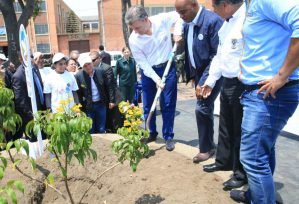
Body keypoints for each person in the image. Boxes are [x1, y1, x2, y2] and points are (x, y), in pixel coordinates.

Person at [228, 1, 299, 203]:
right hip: (262, 93)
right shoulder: (251, 3)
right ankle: (255, 196)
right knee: (262, 151)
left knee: (252, 158)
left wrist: (281, 76)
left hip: (270, 95)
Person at [200, 0, 247, 190]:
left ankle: (240, 174)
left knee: (240, 131)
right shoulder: (225, 25)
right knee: (225, 126)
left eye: (214, 6)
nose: (213, 10)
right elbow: (219, 56)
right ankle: (223, 161)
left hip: (243, 83)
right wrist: (210, 82)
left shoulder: (248, 19)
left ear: (226, 5)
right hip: (227, 81)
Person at [125, 6, 182, 151]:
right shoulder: (134, 39)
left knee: (168, 103)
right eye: (132, 28)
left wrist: (177, 31)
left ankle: (168, 136)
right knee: (148, 103)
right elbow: (142, 62)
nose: (135, 31)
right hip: (148, 72)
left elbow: (180, 15)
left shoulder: (161, 20)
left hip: (167, 68)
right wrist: (156, 79)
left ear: (145, 19)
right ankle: (151, 132)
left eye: (137, 27)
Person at [175, 0, 223, 161]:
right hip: (199, 73)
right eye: (179, 13)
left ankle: (206, 149)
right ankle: (210, 145)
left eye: (183, 12)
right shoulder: (188, 23)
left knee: (201, 108)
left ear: (194, 5)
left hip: (213, 72)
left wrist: (205, 80)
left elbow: (217, 55)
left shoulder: (213, 21)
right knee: (205, 109)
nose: (181, 16)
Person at [12, 55, 46, 141]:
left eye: (31, 56)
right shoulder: (18, 75)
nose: (31, 59)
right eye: (27, 56)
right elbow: (20, 100)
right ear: (20, 59)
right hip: (30, 116)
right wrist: (32, 114)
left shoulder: (34, 68)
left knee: (44, 138)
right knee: (34, 140)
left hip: (41, 110)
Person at [75, 56, 113, 133]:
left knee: (102, 128)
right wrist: (79, 108)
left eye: (89, 64)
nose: (88, 67)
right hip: (88, 106)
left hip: (101, 104)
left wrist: (111, 100)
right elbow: (78, 94)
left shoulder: (101, 71)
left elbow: (108, 86)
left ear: (92, 63)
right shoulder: (78, 76)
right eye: (85, 66)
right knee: (90, 129)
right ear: (82, 67)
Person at [89, 51, 116, 132]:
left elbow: (110, 86)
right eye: (90, 61)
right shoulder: (88, 69)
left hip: (106, 97)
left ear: (99, 59)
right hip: (94, 100)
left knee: (107, 121)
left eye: (93, 60)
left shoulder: (106, 68)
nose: (91, 62)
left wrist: (111, 100)